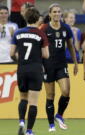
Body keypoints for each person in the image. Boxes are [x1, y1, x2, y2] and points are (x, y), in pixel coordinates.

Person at [10, 7, 49, 135]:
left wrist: (20, 60)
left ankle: (21, 121)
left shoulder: (17, 32)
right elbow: (46, 55)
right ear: (38, 19)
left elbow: (11, 53)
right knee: (33, 102)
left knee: (23, 98)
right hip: (35, 68)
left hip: (22, 68)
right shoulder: (41, 34)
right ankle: (29, 131)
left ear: (25, 18)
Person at [40, 3, 78, 132]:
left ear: (61, 14)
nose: (57, 14)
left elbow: (71, 46)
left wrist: (76, 63)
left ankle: (59, 115)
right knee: (50, 95)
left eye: (58, 12)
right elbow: (38, 47)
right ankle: (51, 124)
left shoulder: (66, 28)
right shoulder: (44, 28)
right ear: (50, 14)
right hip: (48, 65)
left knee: (66, 92)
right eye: (54, 12)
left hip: (62, 65)